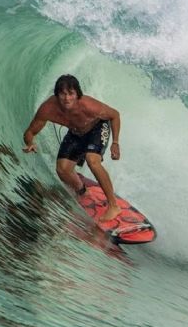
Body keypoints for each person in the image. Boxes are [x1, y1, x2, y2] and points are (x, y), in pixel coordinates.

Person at [22, 74, 122, 222]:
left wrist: (115, 143)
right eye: (62, 94)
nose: (67, 98)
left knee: (92, 160)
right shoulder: (48, 109)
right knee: (62, 170)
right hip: (76, 133)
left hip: (97, 128)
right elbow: (30, 132)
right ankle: (82, 191)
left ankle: (114, 206)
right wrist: (30, 143)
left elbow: (114, 115)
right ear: (57, 94)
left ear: (77, 94)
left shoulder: (88, 105)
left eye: (71, 94)